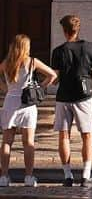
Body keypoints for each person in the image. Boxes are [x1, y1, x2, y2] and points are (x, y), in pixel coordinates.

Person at [51, 14, 92, 188]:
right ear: (78, 29)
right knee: (87, 135)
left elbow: (55, 77)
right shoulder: (91, 47)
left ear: (64, 31)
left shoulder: (58, 51)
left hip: (63, 97)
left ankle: (67, 175)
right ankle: (86, 176)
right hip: (83, 97)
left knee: (63, 135)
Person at [1, 35, 58, 188]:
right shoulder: (32, 61)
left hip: (10, 101)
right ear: (26, 47)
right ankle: (28, 177)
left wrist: (5, 89)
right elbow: (52, 74)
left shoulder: (6, 63)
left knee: (6, 142)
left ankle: (4, 177)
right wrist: (40, 87)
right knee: (28, 143)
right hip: (27, 103)